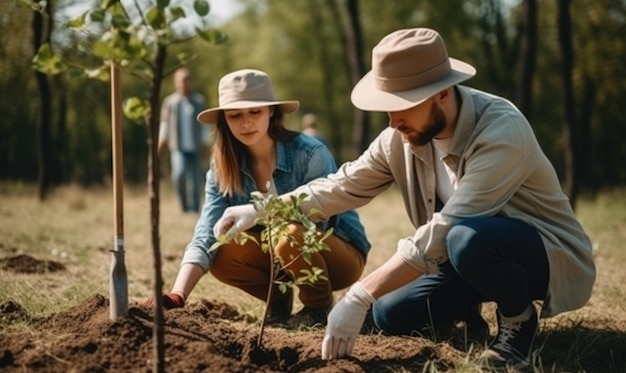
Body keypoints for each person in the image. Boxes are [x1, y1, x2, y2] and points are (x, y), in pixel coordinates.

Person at [213, 29, 596, 369]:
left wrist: (358, 294)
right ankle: (465, 307)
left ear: (442, 93)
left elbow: (449, 227)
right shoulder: (403, 135)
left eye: (399, 107)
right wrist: (262, 208)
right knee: (390, 314)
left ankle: (517, 321)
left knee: (466, 239)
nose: (391, 123)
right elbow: (342, 186)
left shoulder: (501, 130)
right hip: (459, 253)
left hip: (541, 251)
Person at [145, 69, 371, 328]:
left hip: (337, 255)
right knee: (220, 250)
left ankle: (317, 308)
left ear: (272, 112)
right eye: (235, 115)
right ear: (224, 120)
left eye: (255, 112)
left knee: (288, 233)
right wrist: (177, 295)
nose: (246, 123)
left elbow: (322, 218)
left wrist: (267, 216)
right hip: (282, 256)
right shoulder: (222, 166)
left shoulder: (310, 154)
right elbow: (206, 231)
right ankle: (278, 300)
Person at [159, 67, 212, 213]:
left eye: (185, 81)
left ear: (190, 82)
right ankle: (183, 207)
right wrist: (161, 141)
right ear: (175, 83)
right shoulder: (170, 102)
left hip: (196, 147)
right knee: (179, 175)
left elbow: (205, 126)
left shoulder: (199, 101)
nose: (183, 84)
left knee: (196, 180)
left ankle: (194, 209)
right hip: (178, 146)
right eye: (179, 81)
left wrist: (206, 144)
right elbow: (165, 123)